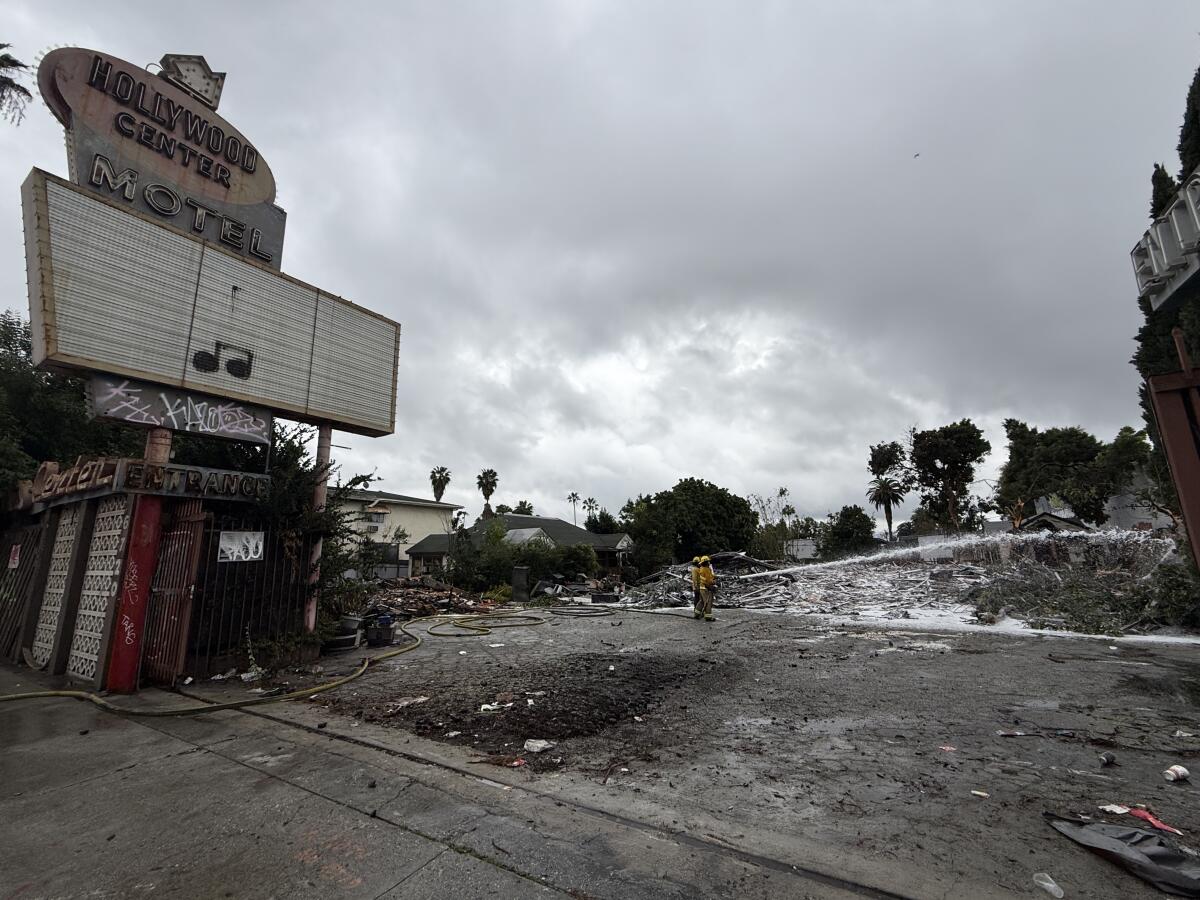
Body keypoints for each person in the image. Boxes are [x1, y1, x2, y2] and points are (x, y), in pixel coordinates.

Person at [695, 555, 716, 622]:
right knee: (708, 602)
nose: (709, 562)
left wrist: (714, 577)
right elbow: (708, 580)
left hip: (702, 588)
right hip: (706, 588)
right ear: (706, 562)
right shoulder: (706, 570)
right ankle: (708, 617)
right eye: (708, 561)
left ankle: (697, 614)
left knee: (701, 601)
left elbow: (707, 578)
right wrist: (712, 583)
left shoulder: (701, 569)